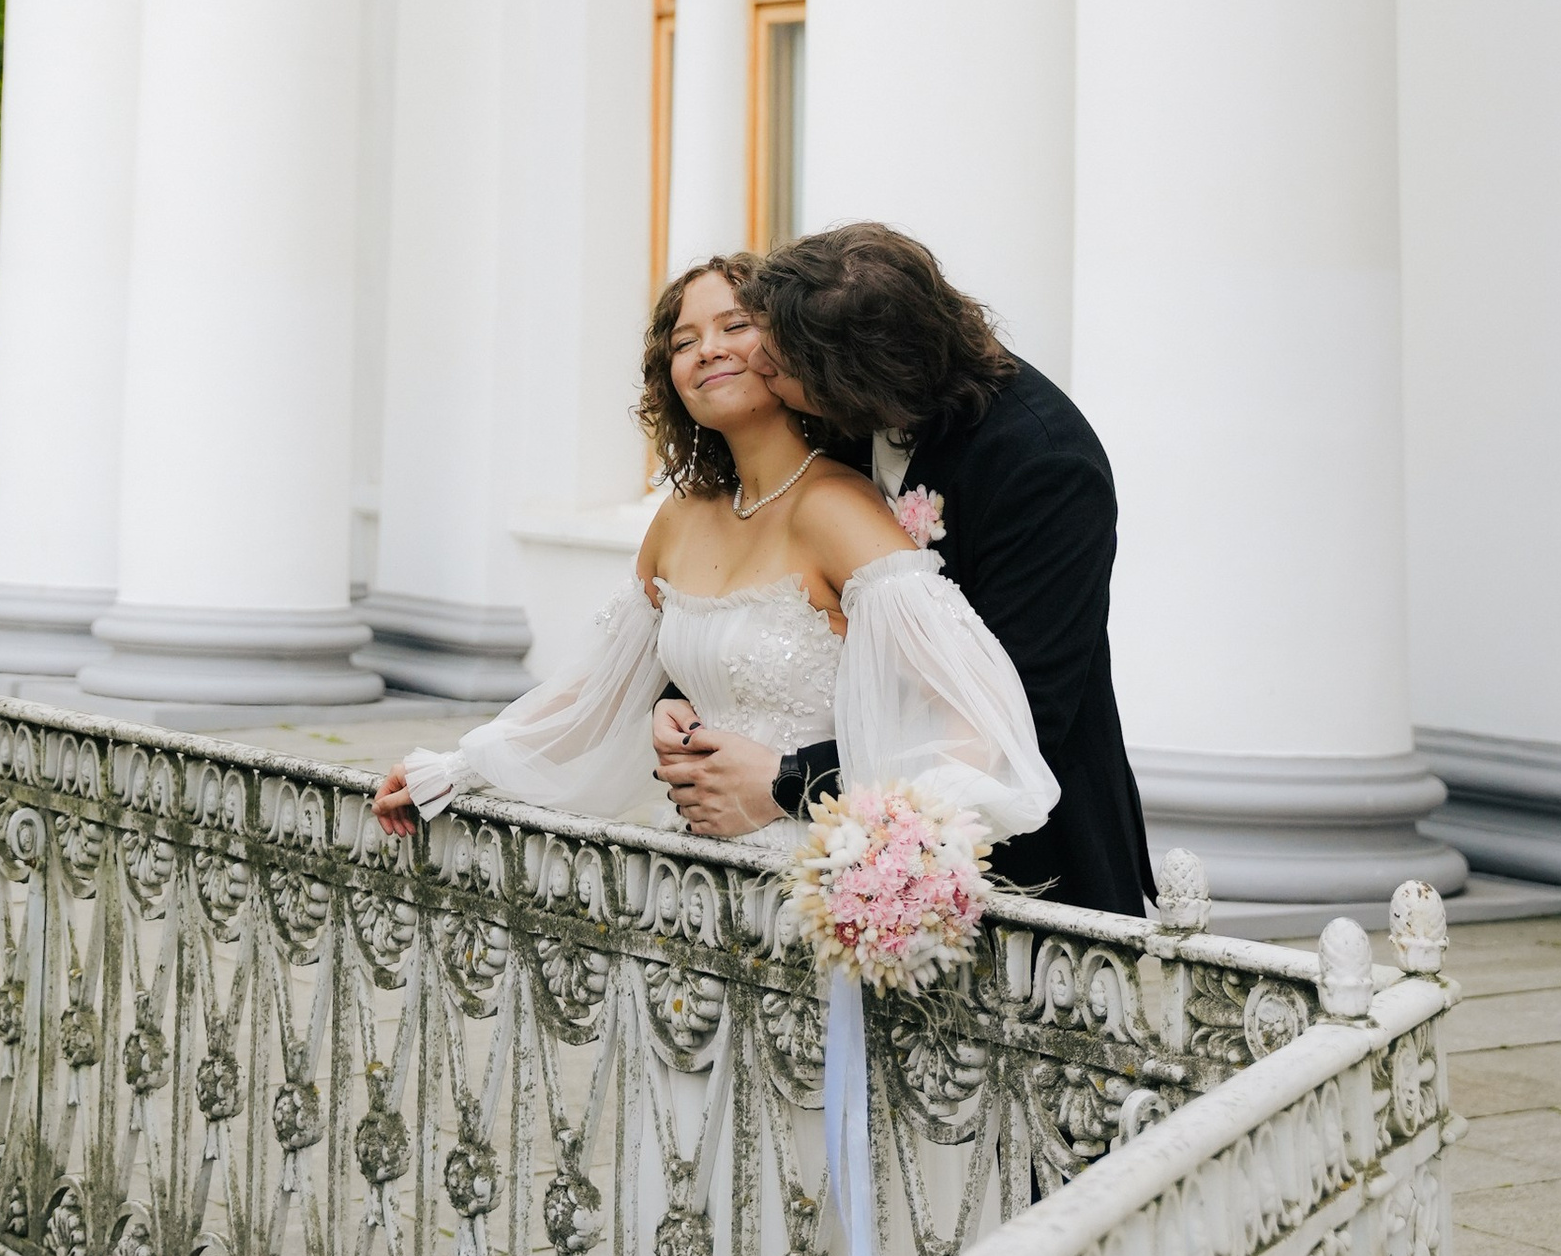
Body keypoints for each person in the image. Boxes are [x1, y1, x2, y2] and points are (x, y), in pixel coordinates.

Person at [370, 255, 1056, 851]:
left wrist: (845, 820)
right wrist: (456, 769)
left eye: (735, 326)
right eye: (684, 340)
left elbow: (970, 719)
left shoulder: (840, 511)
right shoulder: (678, 519)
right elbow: (595, 693)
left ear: (793, 348)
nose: (707, 350)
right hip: (688, 870)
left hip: (808, 863)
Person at [656, 225, 1155, 919]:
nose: (759, 362)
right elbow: (778, 602)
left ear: (848, 378)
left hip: (1009, 865)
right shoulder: (836, 421)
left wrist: (789, 780)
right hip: (818, 856)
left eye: (780, 359)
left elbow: (1016, 718)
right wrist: (685, 691)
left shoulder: (1045, 467)